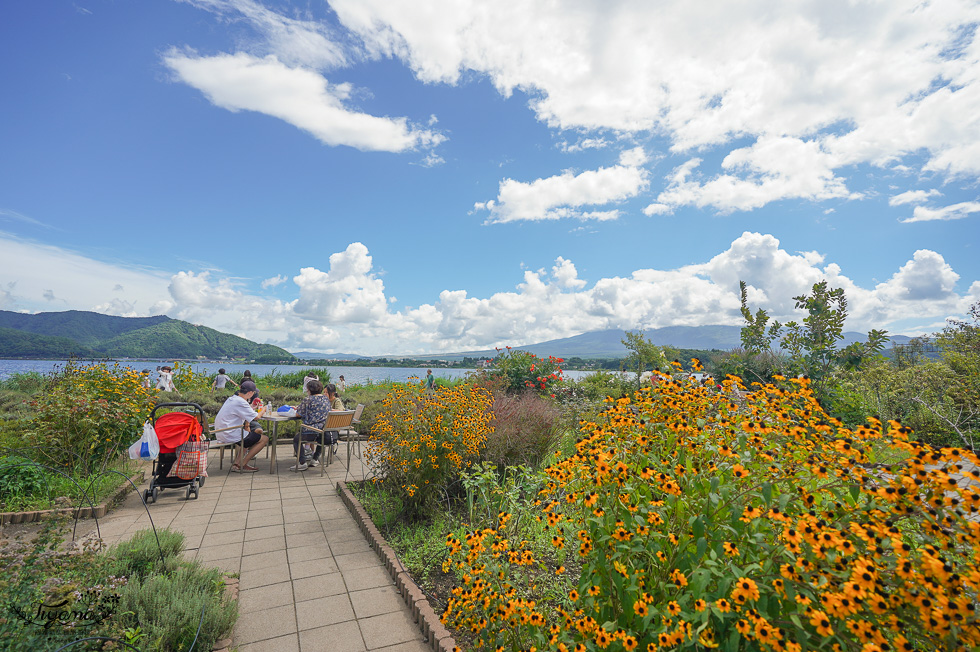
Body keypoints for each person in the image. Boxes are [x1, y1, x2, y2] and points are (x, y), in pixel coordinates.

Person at [213, 380, 268, 472]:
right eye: (253, 393)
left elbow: (241, 410)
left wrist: (252, 407)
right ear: (250, 393)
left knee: (247, 437)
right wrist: (264, 409)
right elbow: (256, 417)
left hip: (222, 432)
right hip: (230, 433)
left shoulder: (233, 399)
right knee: (264, 439)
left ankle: (237, 464)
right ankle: (243, 464)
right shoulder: (241, 402)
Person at [291, 379, 330, 471]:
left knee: (296, 439)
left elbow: (298, 414)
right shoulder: (325, 399)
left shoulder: (308, 399)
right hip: (324, 431)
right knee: (321, 437)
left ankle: (302, 462)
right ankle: (315, 458)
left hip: (310, 432)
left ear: (310, 390)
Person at [309, 383, 345, 466]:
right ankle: (310, 453)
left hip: (333, 428)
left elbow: (341, 411)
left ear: (332, 393)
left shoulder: (336, 401)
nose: (324, 394)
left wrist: (329, 410)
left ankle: (314, 456)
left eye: (326, 392)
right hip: (325, 426)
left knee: (320, 435)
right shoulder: (324, 401)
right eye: (323, 392)